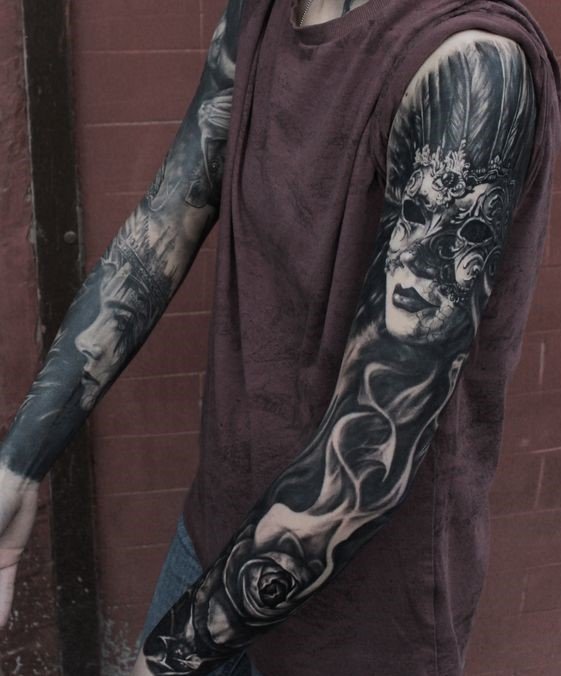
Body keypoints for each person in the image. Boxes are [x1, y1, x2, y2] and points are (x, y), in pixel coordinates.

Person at [0, 0, 560, 674]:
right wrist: (17, 465)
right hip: (215, 537)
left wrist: (162, 665)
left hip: (363, 619)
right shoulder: (260, 12)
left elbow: (370, 451)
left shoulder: (469, 68)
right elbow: (159, 230)